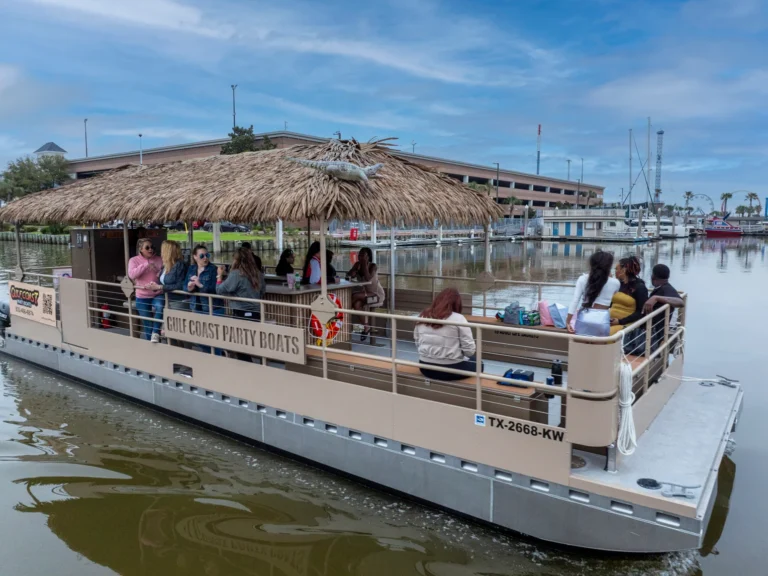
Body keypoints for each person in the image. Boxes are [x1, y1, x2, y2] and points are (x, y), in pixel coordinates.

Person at [414, 288, 483, 381]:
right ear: (457, 303)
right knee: (479, 363)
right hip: (450, 369)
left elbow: (417, 342)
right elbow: (469, 351)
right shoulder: (458, 318)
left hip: (425, 367)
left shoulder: (423, 315)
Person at [566, 250, 620, 334]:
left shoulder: (582, 279)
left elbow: (575, 301)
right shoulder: (615, 283)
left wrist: (568, 321)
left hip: (584, 317)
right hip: (602, 318)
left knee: (580, 345)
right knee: (600, 346)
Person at [128, 238, 164, 342]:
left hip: (157, 293)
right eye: (147, 248)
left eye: (152, 247)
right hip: (142, 296)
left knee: (160, 307)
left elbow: (165, 272)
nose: (150, 250)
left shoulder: (159, 259)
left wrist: (158, 271)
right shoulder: (134, 260)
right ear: (140, 249)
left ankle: (156, 333)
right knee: (148, 324)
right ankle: (152, 345)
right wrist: (145, 265)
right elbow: (132, 275)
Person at [346, 247, 386, 340]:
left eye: (363, 255)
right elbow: (349, 275)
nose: (360, 257)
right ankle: (366, 327)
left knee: (354, 296)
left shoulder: (373, 266)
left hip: (376, 295)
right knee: (356, 304)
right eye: (359, 255)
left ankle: (344, 313)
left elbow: (368, 278)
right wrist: (353, 272)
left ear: (368, 256)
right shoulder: (357, 265)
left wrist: (363, 264)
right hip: (365, 293)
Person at [216, 247, 265, 321]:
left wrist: (219, 275)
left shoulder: (236, 274)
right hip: (257, 312)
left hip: (240, 311)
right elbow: (262, 291)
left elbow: (219, 290)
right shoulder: (258, 273)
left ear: (236, 260)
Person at [643, 264, 685, 349]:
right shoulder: (659, 288)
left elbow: (680, 302)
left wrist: (656, 298)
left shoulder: (666, 288)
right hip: (650, 328)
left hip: (655, 331)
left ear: (653, 276)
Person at [609, 255, 648, 335]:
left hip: (627, 324)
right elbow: (610, 304)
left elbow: (641, 312)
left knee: (607, 333)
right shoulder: (618, 284)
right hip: (611, 320)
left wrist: (620, 321)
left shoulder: (639, 287)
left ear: (624, 270)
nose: (615, 271)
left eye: (616, 269)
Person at [146, 240, 187, 310]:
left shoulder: (179, 265)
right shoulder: (166, 265)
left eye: (163, 250)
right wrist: (154, 286)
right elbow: (163, 282)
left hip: (177, 301)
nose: (161, 252)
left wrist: (160, 287)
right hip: (166, 298)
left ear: (168, 252)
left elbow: (180, 285)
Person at [185, 244, 217, 313]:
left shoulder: (213, 269)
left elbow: (215, 289)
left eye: (207, 255)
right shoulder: (191, 268)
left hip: (210, 307)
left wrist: (200, 285)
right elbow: (184, 285)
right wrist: (189, 288)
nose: (205, 258)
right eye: (202, 256)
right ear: (195, 257)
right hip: (195, 306)